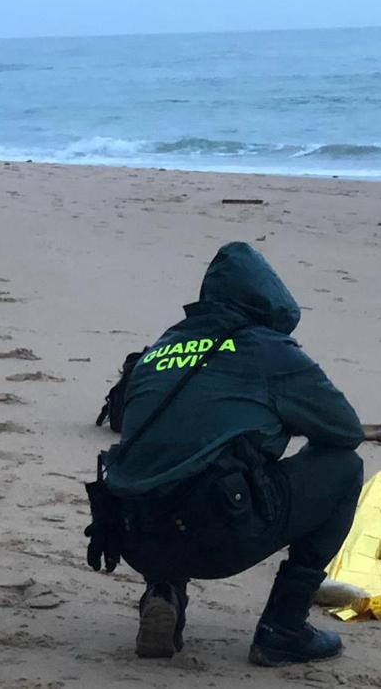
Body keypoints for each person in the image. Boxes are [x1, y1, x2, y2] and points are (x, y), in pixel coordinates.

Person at [93, 242, 365, 666]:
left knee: (178, 460)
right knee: (344, 468)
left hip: (133, 535)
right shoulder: (269, 351)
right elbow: (344, 431)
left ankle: (163, 591)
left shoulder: (162, 346)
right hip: (215, 535)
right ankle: (284, 628)